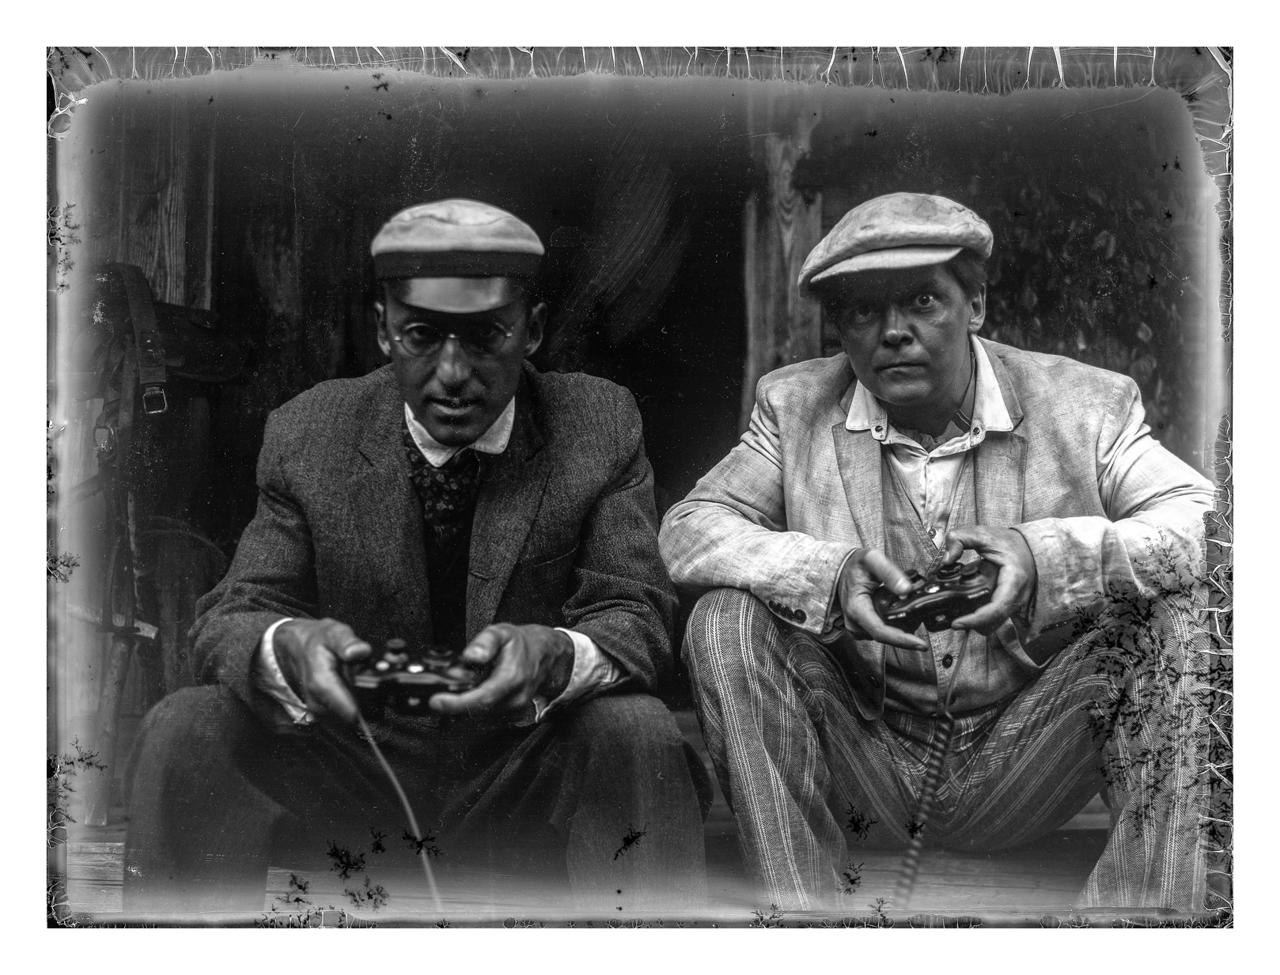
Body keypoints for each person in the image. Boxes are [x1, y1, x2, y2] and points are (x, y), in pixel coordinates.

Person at [124, 199, 708, 919]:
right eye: (422, 336)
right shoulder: (310, 430)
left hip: (522, 777)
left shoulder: (598, 424)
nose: (453, 373)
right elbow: (237, 611)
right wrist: (285, 645)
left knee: (637, 731)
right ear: (382, 330)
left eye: (486, 336)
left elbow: (636, 610)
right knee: (187, 728)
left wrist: (556, 655)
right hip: (353, 782)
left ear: (533, 329)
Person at [660, 192, 1215, 914]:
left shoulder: (1085, 404)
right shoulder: (794, 407)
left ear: (975, 304)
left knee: (1178, 624)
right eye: (864, 311)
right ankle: (805, 928)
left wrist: (1047, 556)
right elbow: (690, 527)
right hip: (867, 758)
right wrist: (829, 573)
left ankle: (1131, 934)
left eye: (923, 300)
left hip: (1029, 757)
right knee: (723, 619)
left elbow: (1211, 526)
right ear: (840, 329)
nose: (894, 332)